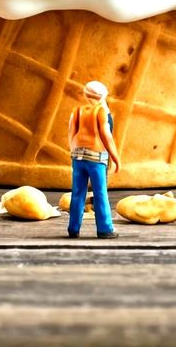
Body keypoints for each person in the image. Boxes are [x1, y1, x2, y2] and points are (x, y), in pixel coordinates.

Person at [67, 80, 121, 239]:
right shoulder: (101, 112)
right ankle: (105, 229)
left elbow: (70, 135)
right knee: (100, 193)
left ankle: (73, 229)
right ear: (102, 96)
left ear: (85, 94)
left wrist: (74, 152)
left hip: (78, 157)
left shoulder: (76, 111)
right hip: (96, 158)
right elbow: (107, 137)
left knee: (77, 193)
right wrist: (115, 158)